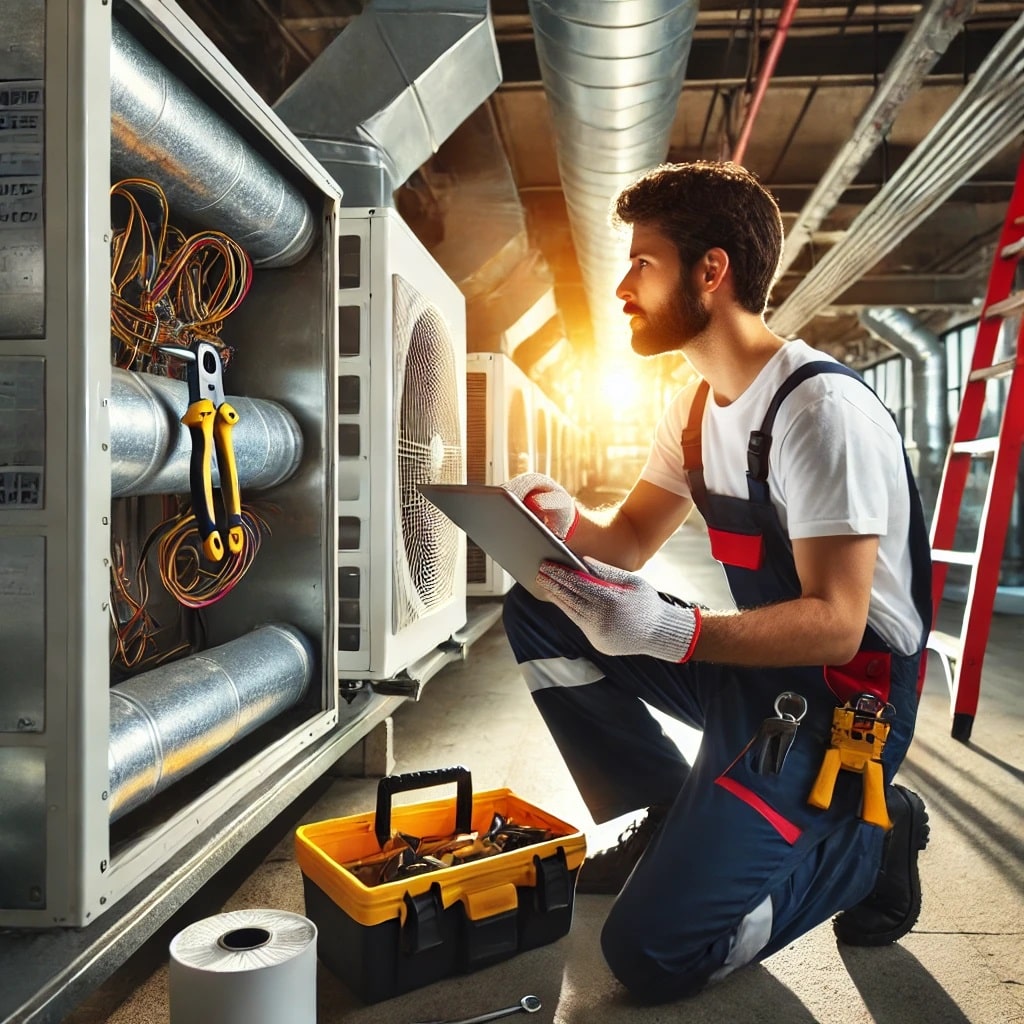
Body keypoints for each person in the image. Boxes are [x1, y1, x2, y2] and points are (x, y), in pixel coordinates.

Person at [500, 160, 933, 1003]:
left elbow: (841, 624)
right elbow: (623, 540)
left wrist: (674, 630)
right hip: (757, 673)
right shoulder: (693, 410)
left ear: (712, 270)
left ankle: (872, 844)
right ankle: (665, 812)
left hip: (845, 703)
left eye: (642, 263)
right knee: (541, 609)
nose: (623, 286)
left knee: (654, 956)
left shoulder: (818, 413)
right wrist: (552, 517)